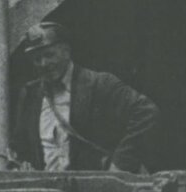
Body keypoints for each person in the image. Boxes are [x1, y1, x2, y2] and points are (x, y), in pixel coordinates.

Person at [9, 22, 160, 173]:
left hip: (98, 190)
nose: (43, 64)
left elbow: (146, 112)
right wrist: (23, 164)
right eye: (37, 59)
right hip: (50, 191)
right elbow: (20, 146)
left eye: (49, 55)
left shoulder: (99, 84)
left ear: (66, 51)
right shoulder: (30, 95)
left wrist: (121, 163)